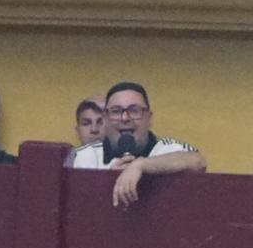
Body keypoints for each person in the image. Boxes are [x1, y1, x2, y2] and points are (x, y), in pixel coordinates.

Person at [68, 82, 204, 207]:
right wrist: (106, 181)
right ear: (106, 119)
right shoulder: (86, 155)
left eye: (134, 110)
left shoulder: (168, 148)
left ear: (149, 118)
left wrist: (140, 166)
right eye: (116, 111)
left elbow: (198, 161)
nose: (125, 118)